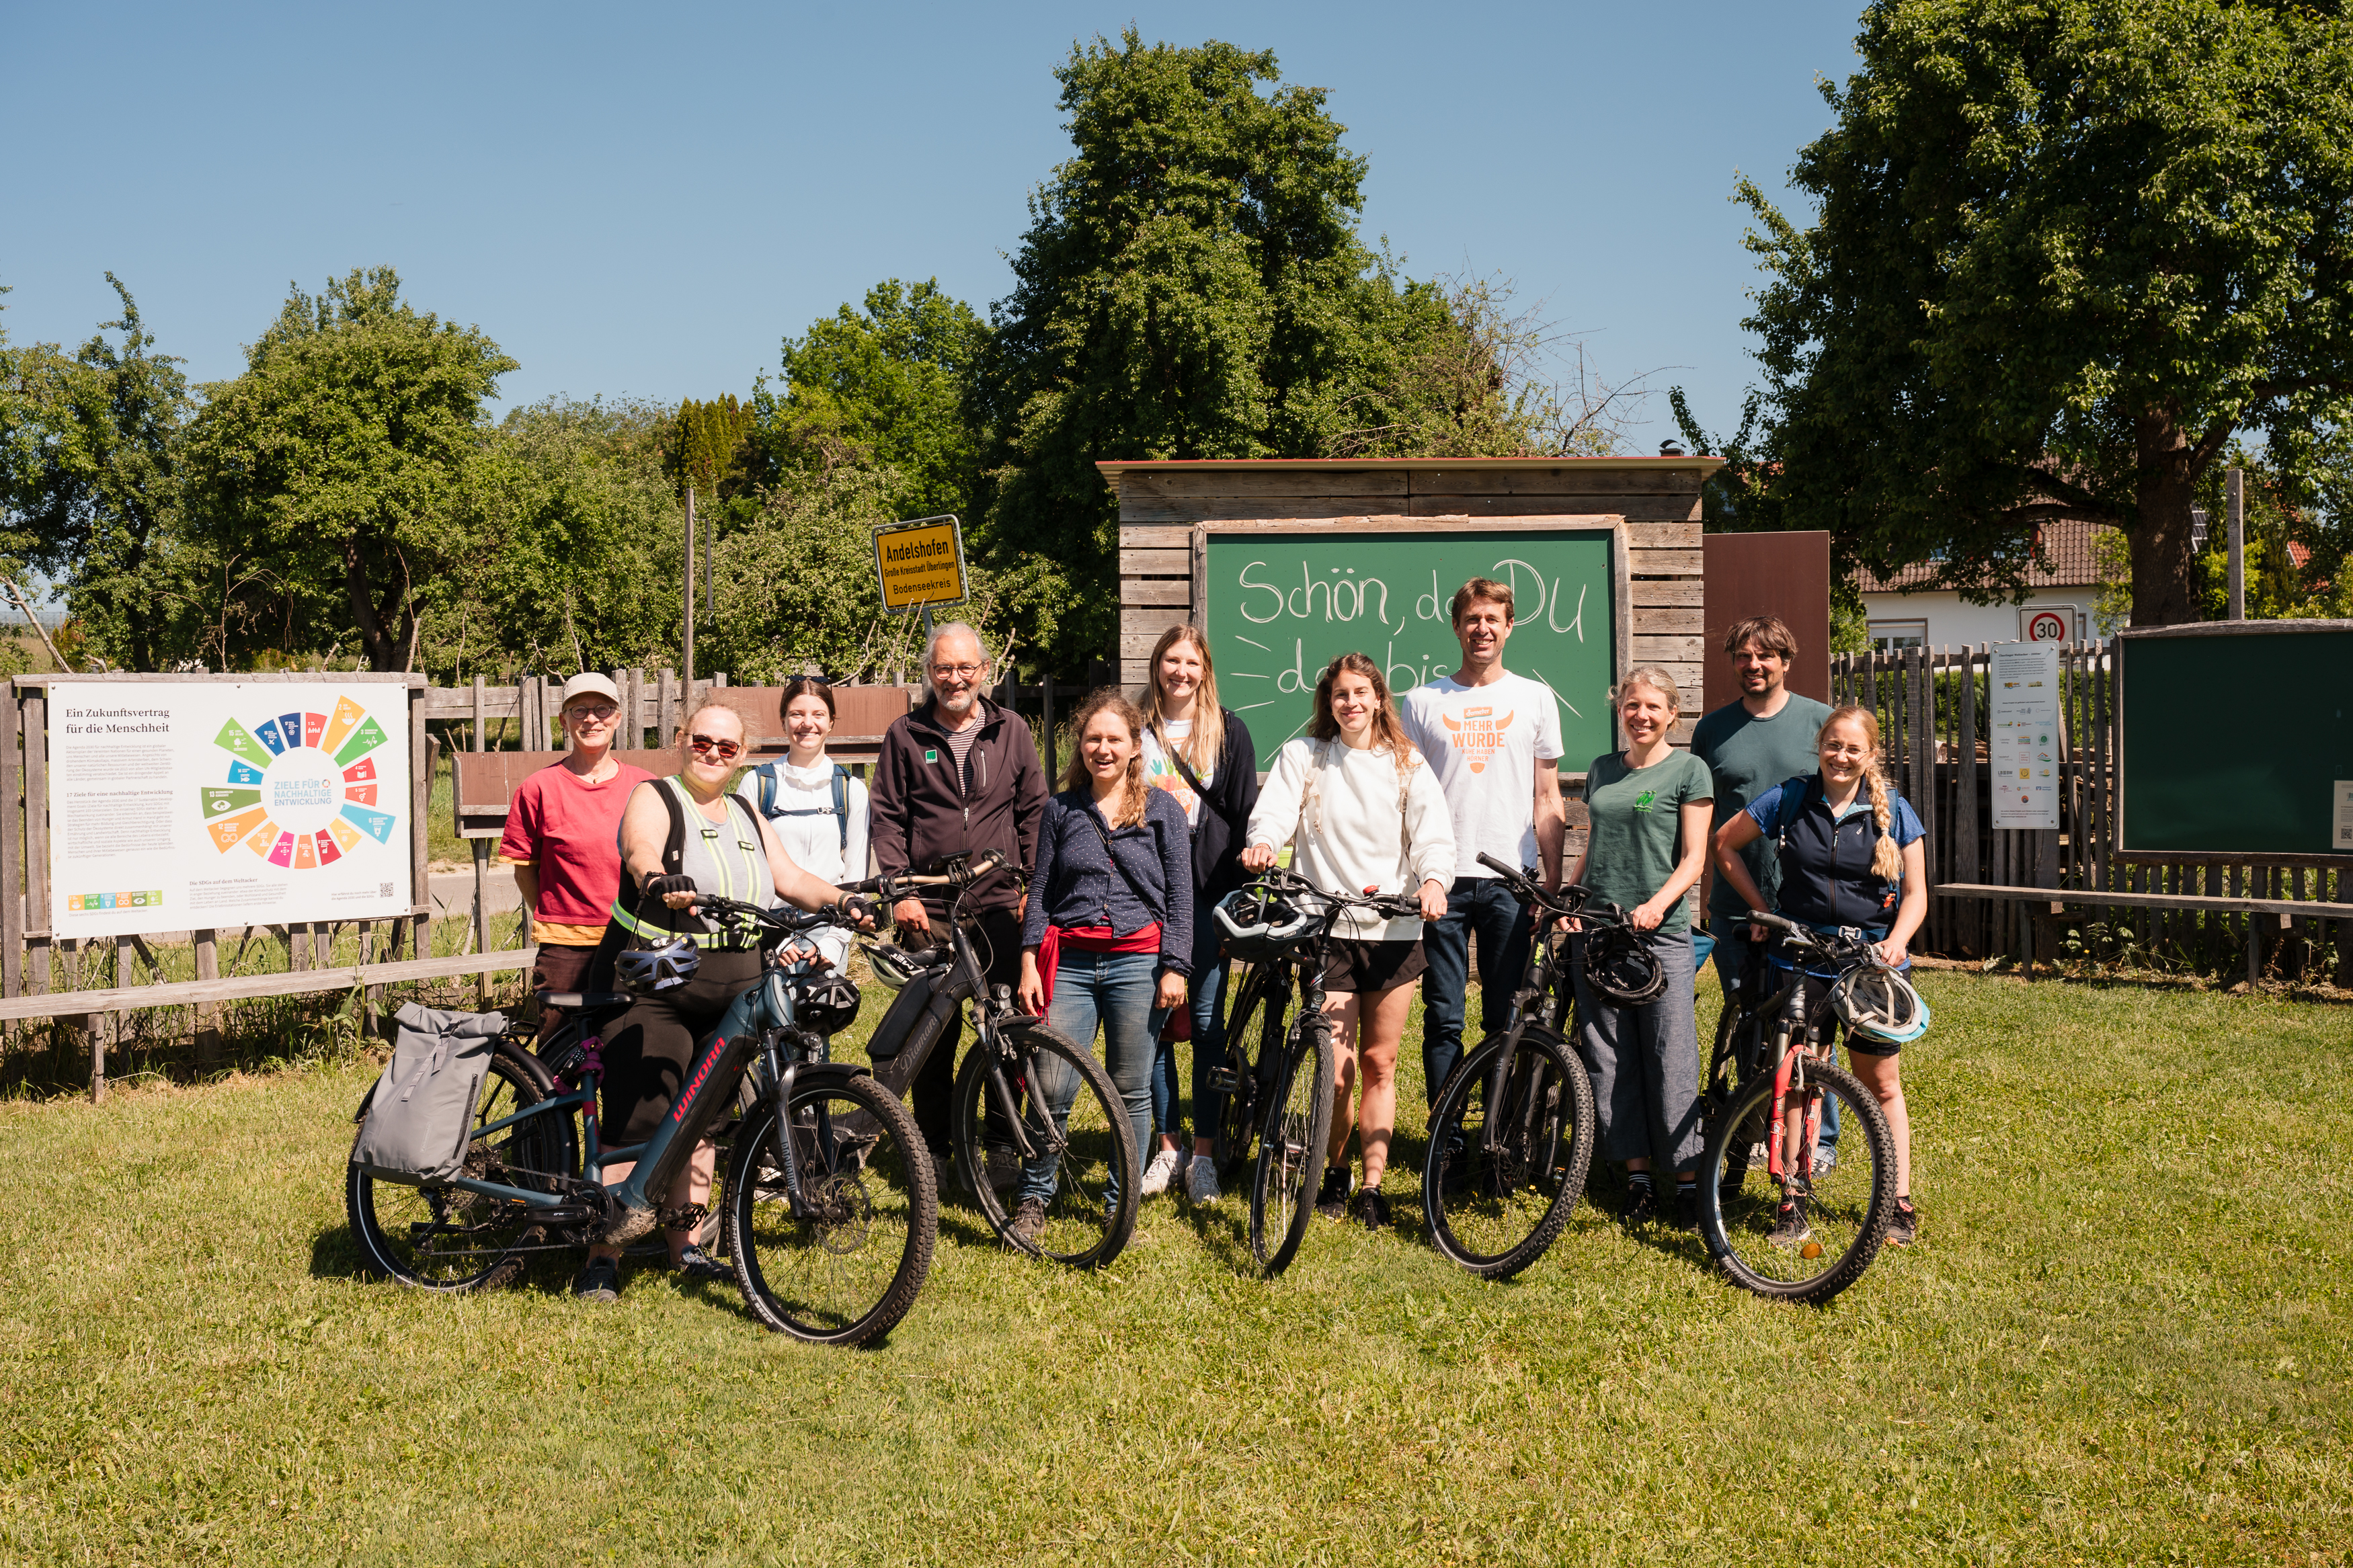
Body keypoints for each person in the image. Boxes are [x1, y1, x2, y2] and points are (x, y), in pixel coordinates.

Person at [573, 704, 871, 1304]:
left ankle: (686, 1247)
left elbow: (788, 877)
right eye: (702, 741)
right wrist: (659, 879)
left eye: (728, 747)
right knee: (644, 1117)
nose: (713, 753)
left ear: (742, 755)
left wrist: (844, 901)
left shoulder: (744, 811)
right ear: (682, 740)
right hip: (657, 990)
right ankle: (602, 1254)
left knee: (706, 1118)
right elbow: (639, 847)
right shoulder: (656, 796)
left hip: (734, 990)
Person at [1241, 653, 1454, 1230]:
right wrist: (1262, 844)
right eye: (1340, 694)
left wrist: (1434, 880)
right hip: (1329, 928)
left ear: (1380, 698)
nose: (1351, 703)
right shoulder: (1305, 757)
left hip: (1394, 929)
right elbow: (1274, 814)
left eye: (1362, 692)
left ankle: (1373, 1184)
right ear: (1328, 701)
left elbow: (1433, 832)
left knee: (1381, 1062)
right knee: (1336, 1068)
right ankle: (1329, 1171)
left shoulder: (1408, 763)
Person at [1711, 704, 1929, 1246]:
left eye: (1854, 747)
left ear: (1871, 754)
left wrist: (1897, 941)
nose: (1841, 755)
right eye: (1833, 744)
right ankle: (1792, 1197)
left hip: (1870, 966)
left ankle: (1899, 1201)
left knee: (1881, 1083)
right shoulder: (1790, 796)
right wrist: (1765, 911)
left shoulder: (1894, 810)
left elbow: (1919, 894)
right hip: (1801, 957)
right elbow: (1724, 845)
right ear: (1820, 745)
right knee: (1801, 1077)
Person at [869, 622, 1048, 1172]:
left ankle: (999, 1143)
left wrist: (1032, 889)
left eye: (965, 667)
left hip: (997, 903)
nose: (954, 678)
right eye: (943, 668)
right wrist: (900, 891)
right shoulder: (906, 734)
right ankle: (935, 1148)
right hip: (931, 908)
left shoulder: (1012, 729)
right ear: (930, 673)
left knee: (1005, 1025)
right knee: (933, 1034)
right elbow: (888, 817)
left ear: (984, 671)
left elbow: (1033, 813)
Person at [1015, 690, 1191, 1239]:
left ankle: (1122, 1203)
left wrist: (1175, 965)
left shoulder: (1162, 809)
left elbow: (1181, 897)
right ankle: (1034, 1196)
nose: (1103, 748)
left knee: (1130, 1088)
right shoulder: (1061, 809)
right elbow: (1041, 890)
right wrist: (1027, 958)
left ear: (1136, 746)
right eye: (1094, 738)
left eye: (1115, 738)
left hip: (1137, 961)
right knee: (1051, 1084)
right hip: (1069, 961)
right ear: (1080, 745)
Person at [1397, 576, 1567, 1119]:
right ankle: (1446, 1139)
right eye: (1472, 619)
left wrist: (1552, 882)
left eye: (1493, 618)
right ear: (1456, 626)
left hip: (1510, 880)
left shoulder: (1536, 697)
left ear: (1510, 625)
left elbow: (1547, 795)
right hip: (1440, 879)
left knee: (1504, 1017)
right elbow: (1404, 796)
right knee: (1443, 1015)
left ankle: (1496, 1133)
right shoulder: (1422, 701)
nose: (1482, 628)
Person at [1568, 667, 1714, 1231]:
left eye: (1653, 707)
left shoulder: (1689, 769)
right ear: (1620, 709)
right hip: (1599, 929)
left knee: (1669, 1055)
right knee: (1609, 1056)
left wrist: (1656, 905)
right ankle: (1635, 1177)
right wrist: (1569, 898)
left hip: (1660, 933)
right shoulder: (1604, 769)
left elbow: (1694, 858)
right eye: (1632, 706)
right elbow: (1591, 846)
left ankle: (1684, 1178)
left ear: (1672, 713)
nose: (1642, 715)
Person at [1135, 625, 1261, 1206]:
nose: (1180, 670)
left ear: (1205, 669)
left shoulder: (1230, 731)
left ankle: (1204, 1157)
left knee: (1208, 1026)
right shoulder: (1134, 725)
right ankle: (1168, 1148)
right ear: (1158, 664)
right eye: (1171, 659)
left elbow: (1242, 820)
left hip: (1208, 896)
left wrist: (1236, 907)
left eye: (1191, 661)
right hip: (1144, 893)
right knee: (1154, 1025)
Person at [497, 673, 655, 1038]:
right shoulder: (538, 788)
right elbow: (525, 871)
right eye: (579, 710)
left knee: (628, 1054)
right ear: (563, 721)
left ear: (618, 718)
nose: (591, 719)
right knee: (558, 1060)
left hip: (633, 940)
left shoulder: (646, 787)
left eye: (603, 709)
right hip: (565, 946)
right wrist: (558, 918)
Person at [1689, 615, 1834, 999]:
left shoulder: (1822, 722)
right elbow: (1698, 817)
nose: (1753, 665)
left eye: (1765, 655)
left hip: (1809, 904)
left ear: (1786, 662)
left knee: (1811, 1027)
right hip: (1735, 906)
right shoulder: (1711, 730)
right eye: (1743, 656)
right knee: (1746, 1020)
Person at [736, 675, 871, 971]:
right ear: (783, 720)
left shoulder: (851, 790)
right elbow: (745, 872)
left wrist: (835, 942)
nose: (807, 723)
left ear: (832, 721)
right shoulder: (756, 784)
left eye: (818, 714)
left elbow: (855, 877)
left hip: (828, 930)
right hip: (769, 931)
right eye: (797, 714)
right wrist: (774, 940)